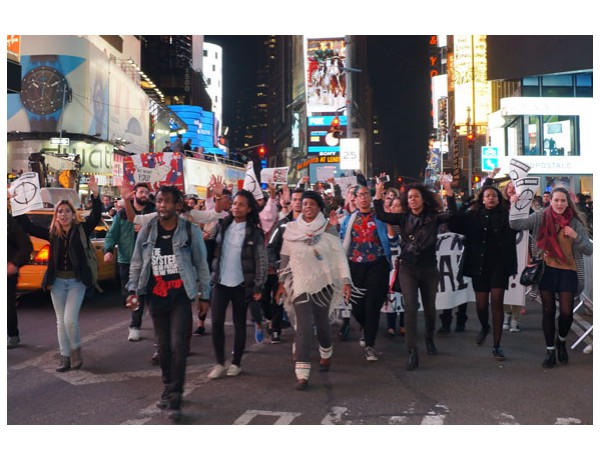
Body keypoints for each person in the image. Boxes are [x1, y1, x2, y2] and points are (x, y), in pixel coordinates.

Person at [126, 185, 211, 421]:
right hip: (155, 296)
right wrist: (133, 290)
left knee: (179, 345)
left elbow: (201, 264)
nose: (162, 205)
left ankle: (175, 394)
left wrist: (205, 296)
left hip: (180, 296)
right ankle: (167, 385)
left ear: (177, 205)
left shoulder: (189, 231)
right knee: (162, 347)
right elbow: (136, 261)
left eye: (167, 201)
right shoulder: (147, 230)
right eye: (160, 201)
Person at [16, 176, 101, 371]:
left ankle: (76, 350)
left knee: (69, 320)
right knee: (60, 322)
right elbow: (27, 225)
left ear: (73, 214)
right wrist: (14, 202)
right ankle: (65, 356)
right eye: (59, 212)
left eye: (67, 211)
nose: (63, 215)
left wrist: (95, 194)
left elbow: (96, 216)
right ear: (56, 216)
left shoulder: (81, 230)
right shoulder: (52, 234)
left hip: (76, 282)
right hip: (57, 283)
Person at [274, 190, 352, 390]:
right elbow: (284, 257)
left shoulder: (328, 228)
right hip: (300, 282)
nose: (307, 207)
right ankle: (302, 374)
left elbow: (339, 255)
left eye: (311, 204)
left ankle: (326, 352)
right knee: (304, 326)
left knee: (322, 323)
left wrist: (345, 281)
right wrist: (282, 282)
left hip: (324, 281)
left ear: (319, 208)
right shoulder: (291, 229)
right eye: (304, 203)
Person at [374, 177, 454, 370]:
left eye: (415, 196)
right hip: (408, 267)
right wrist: (378, 190)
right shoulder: (402, 218)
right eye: (409, 197)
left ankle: (429, 338)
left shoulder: (434, 217)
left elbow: (452, 213)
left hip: (428, 268)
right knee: (410, 306)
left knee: (429, 308)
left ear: (423, 199)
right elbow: (381, 214)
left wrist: (448, 188)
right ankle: (412, 350)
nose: (412, 200)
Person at [509, 187, 592, 368]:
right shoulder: (541, 216)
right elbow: (516, 225)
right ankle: (550, 350)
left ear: (567, 202)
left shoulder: (576, 221)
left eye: (563, 201)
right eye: (556, 200)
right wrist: (514, 205)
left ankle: (561, 341)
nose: (560, 204)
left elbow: (589, 249)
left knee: (567, 312)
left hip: (569, 271)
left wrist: (576, 236)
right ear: (550, 201)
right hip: (547, 269)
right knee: (548, 311)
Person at [448, 184, 517, 361]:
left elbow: (523, 222)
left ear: (498, 198)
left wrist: (517, 203)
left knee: (497, 302)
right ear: (482, 199)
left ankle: (497, 345)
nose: (491, 198)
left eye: (494, 195)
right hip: (479, 266)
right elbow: (455, 224)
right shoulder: (473, 216)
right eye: (487, 196)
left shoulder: (507, 215)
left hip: (500, 266)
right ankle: (484, 326)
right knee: (481, 306)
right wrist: (454, 200)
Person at [207, 189, 268, 379]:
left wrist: (259, 285)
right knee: (216, 323)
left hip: (242, 284)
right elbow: (211, 244)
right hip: (221, 282)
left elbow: (261, 260)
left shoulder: (255, 233)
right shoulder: (222, 225)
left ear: (249, 209)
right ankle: (219, 362)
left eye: (241, 204)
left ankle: (236, 363)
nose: (236, 207)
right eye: (234, 203)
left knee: (239, 324)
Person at [339, 185, 393, 362]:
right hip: (354, 266)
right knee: (357, 307)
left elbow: (392, 238)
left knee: (372, 306)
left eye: (365, 195)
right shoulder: (348, 220)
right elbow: (340, 241)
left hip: (377, 266)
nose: (362, 198)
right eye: (359, 195)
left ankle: (370, 344)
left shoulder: (381, 218)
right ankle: (366, 327)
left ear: (370, 198)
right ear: (353, 199)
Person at [104, 182, 156, 343]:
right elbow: (112, 235)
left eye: (147, 192)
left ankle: (135, 326)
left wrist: (145, 231)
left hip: (148, 260)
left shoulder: (153, 213)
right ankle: (136, 319)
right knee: (131, 294)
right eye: (141, 192)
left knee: (143, 293)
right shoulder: (122, 215)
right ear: (134, 195)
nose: (144, 195)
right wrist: (108, 250)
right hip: (127, 260)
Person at [266, 188, 304, 343]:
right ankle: (276, 329)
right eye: (294, 199)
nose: (298, 203)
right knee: (279, 299)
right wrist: (277, 265)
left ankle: (303, 332)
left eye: (301, 199)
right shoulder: (282, 225)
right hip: (284, 271)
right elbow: (270, 247)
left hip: (305, 272)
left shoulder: (314, 226)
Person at [7, 209, 33, 349]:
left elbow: (26, 247)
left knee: (7, 306)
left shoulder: (10, 223)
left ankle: (12, 335)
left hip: (7, 273)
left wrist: (14, 263)